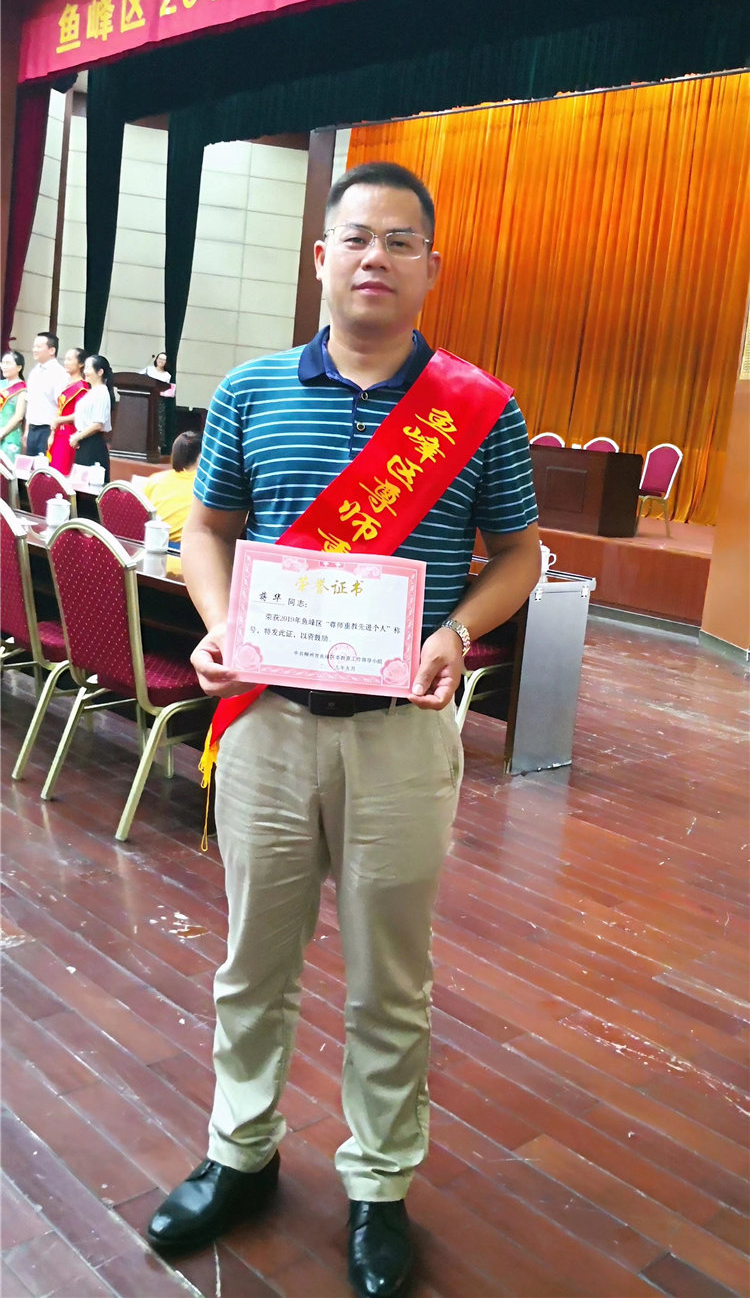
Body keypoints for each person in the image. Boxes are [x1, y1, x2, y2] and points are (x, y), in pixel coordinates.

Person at [147, 163, 541, 1298]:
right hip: (268, 723)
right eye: (357, 236)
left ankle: (379, 1181)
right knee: (253, 961)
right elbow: (210, 529)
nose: (376, 257)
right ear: (321, 257)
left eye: (400, 241)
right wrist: (220, 627)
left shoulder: (480, 409)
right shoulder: (252, 390)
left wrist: (457, 630)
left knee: (391, 976)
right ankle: (240, 1152)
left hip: (401, 735)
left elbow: (519, 555)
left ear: (430, 267)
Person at [140, 430, 201, 546]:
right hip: (188, 550)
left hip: (154, 546)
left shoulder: (154, 480)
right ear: (200, 457)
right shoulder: (204, 486)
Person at [70, 354, 116, 482]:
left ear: (100, 372)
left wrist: (77, 437)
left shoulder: (101, 392)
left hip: (93, 445)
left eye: (89, 368)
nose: (85, 371)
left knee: (89, 485)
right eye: (85, 367)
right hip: (84, 442)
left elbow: (98, 424)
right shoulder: (93, 391)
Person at [23, 332, 67, 457]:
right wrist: (27, 429)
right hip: (32, 429)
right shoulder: (34, 372)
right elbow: (30, 402)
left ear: (52, 350)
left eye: (38, 346)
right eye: (34, 346)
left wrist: (53, 433)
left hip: (48, 429)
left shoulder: (60, 374)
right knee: (29, 466)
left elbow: (62, 406)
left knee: (44, 466)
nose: (34, 350)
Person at [47, 348, 88, 475]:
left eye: (70, 359)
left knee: (61, 472)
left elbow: (81, 414)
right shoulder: (67, 385)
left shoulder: (82, 387)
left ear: (81, 364)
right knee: (51, 471)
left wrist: (60, 420)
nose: (66, 362)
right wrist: (52, 433)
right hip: (58, 432)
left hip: (69, 434)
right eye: (65, 359)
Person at [0, 351, 27, 461]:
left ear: (19, 367)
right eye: (3, 363)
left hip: (10, 437)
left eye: (8, 363)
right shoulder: (1, 384)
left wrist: (2, 433)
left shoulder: (22, 389)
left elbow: (18, 416)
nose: (4, 366)